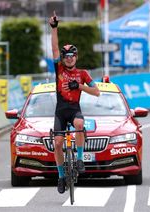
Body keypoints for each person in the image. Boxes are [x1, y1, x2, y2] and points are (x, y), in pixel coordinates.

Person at [49, 13, 100, 194]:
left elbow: (97, 92)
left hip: (74, 109)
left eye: (72, 55)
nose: (69, 58)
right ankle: (61, 176)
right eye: (66, 56)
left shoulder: (83, 73)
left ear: (76, 57)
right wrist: (54, 28)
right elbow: (54, 48)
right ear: (63, 59)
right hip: (60, 112)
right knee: (57, 143)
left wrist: (79, 86)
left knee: (79, 124)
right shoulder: (59, 70)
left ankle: (79, 159)